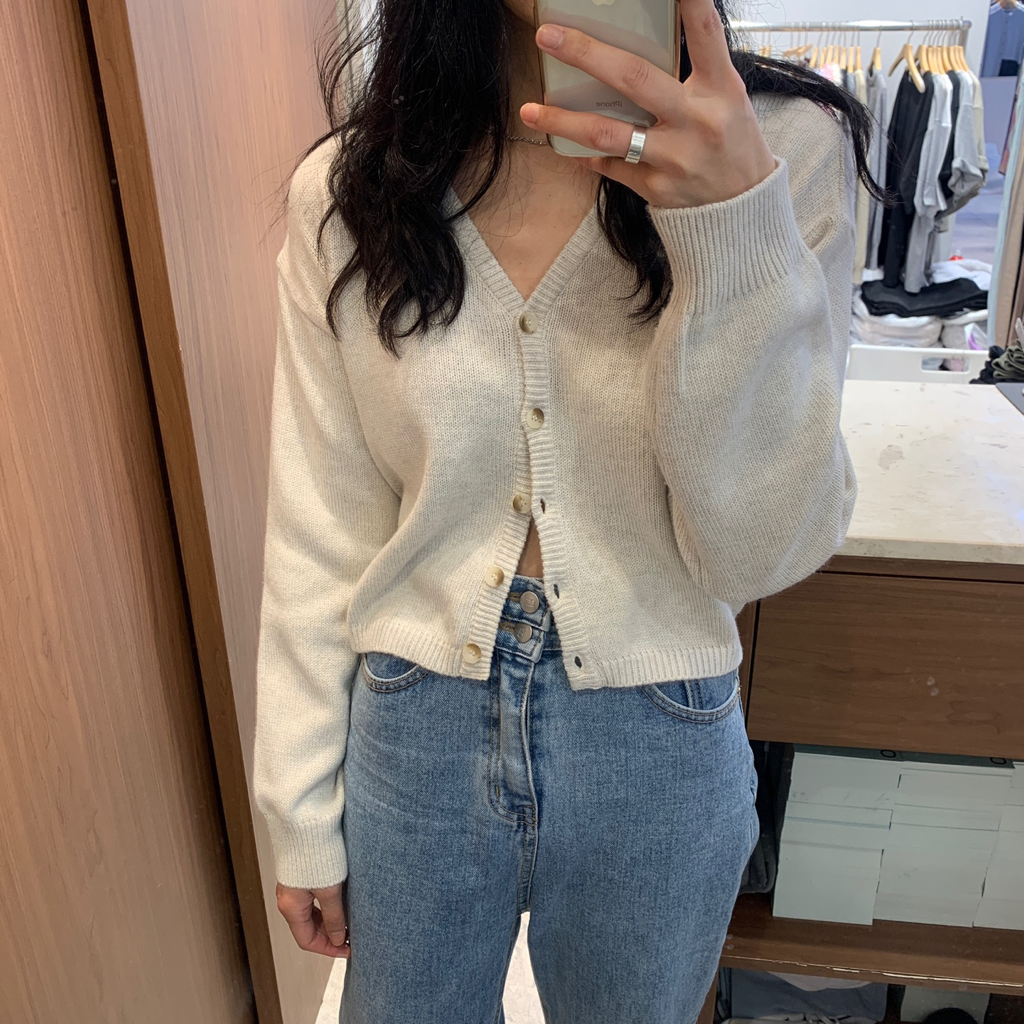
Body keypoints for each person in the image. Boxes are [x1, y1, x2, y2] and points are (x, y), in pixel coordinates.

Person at [253, 1, 881, 1021]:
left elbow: (759, 550)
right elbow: (320, 520)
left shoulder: (782, 152)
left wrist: (731, 226)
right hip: (413, 724)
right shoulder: (354, 186)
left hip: (658, 728)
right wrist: (297, 807)